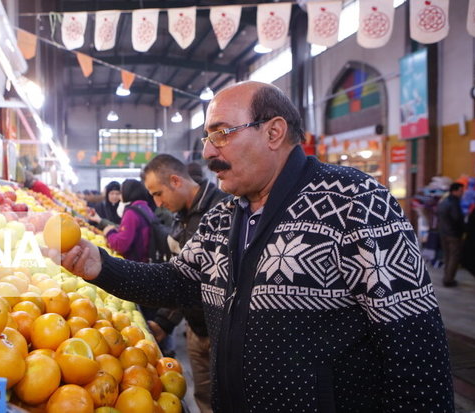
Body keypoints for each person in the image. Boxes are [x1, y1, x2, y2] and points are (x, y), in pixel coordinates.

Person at [59, 81, 454, 412]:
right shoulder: (223, 217)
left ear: (273, 132)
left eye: (222, 133)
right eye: (207, 137)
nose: (209, 151)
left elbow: (416, 346)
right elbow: (176, 281)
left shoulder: (355, 200)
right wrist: (100, 266)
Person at [142, 153, 227, 413]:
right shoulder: (181, 216)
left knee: (228, 399)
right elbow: (182, 276)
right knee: (203, 396)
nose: (157, 203)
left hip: (222, 330)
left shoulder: (222, 211)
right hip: (195, 327)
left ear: (176, 181)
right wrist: (165, 322)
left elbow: (200, 278)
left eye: (158, 194)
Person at [102, 179, 154, 263]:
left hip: (136, 263)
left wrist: (109, 232)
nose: (118, 196)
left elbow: (120, 245)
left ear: (128, 192)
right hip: (146, 260)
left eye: (120, 192)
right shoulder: (144, 207)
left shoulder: (131, 212)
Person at [436, 182, 465, 287]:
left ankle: (446, 277)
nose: (462, 193)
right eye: (461, 191)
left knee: (447, 256)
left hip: (443, 232)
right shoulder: (454, 203)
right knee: (454, 257)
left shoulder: (443, 201)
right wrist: (462, 230)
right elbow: (457, 218)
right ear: (454, 191)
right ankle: (449, 279)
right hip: (453, 234)